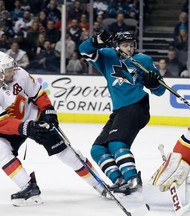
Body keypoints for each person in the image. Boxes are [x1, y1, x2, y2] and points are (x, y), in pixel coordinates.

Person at [0, 51, 107, 207]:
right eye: (8, 70)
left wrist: (48, 110)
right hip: (15, 127)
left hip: (35, 119)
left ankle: (100, 185)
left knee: (66, 153)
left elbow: (38, 93)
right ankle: (28, 187)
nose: (12, 71)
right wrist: (26, 127)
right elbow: (0, 123)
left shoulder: (19, 74)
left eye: (12, 67)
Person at [79, 30, 166, 195]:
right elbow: (84, 50)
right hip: (119, 111)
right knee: (97, 149)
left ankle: (133, 179)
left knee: (116, 144)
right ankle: (119, 180)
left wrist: (153, 83)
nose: (129, 49)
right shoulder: (106, 56)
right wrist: (97, 40)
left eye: (132, 45)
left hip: (137, 106)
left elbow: (161, 91)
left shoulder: (143, 60)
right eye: (125, 45)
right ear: (117, 46)